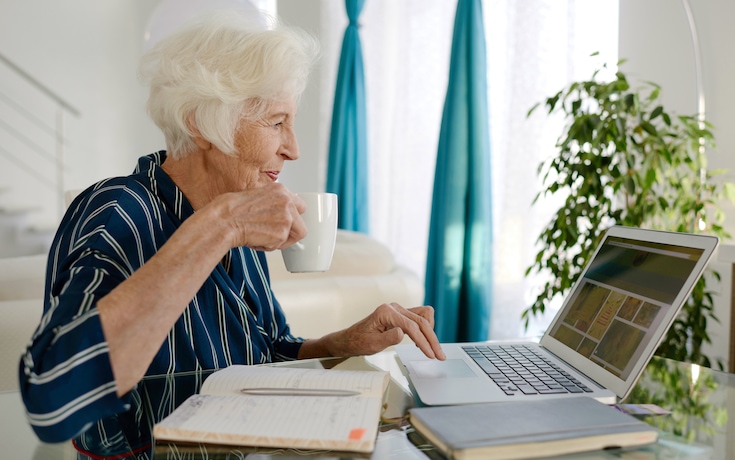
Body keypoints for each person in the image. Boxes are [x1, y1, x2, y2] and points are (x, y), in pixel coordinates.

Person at [18, 10, 445, 459]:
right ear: (201, 123)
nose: (293, 148)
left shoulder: (237, 213)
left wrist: (343, 343)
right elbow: (53, 402)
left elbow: (269, 355)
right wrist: (222, 226)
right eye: (276, 122)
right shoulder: (119, 212)